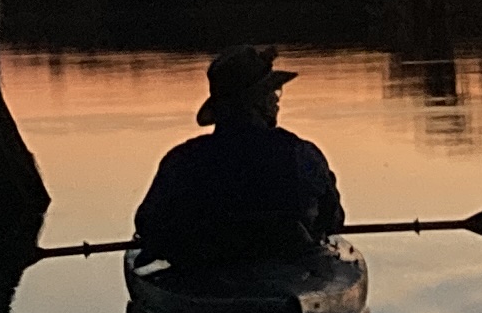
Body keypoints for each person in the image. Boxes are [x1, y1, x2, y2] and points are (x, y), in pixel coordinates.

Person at [134, 47, 348, 272]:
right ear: (257, 102)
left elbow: (148, 224)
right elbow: (333, 219)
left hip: (205, 273)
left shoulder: (182, 161)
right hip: (290, 268)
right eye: (272, 94)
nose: (277, 102)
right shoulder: (302, 154)